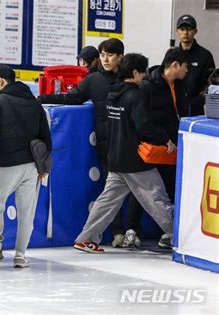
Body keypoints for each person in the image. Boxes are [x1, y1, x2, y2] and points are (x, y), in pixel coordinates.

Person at [39, 38, 137, 247]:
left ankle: (131, 229)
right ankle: (118, 231)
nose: (105, 59)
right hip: (108, 143)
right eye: (102, 55)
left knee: (139, 186)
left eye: (110, 55)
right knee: (112, 188)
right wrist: (42, 98)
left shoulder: (129, 78)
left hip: (130, 141)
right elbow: (72, 98)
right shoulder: (94, 80)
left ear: (120, 57)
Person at [73, 53, 175, 253]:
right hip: (136, 161)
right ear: (135, 72)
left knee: (107, 201)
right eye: (142, 72)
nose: (144, 76)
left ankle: (85, 238)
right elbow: (144, 126)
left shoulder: (112, 95)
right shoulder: (135, 96)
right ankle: (180, 237)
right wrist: (165, 139)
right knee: (157, 198)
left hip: (116, 158)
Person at [0, 65, 52, 268]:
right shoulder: (35, 103)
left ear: (0, 81)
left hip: (7, 164)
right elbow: (46, 138)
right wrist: (44, 168)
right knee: (27, 212)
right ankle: (20, 255)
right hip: (32, 166)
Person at [123, 48, 189, 249]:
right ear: (175, 65)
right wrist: (159, 137)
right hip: (153, 145)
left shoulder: (180, 85)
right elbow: (145, 118)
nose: (187, 71)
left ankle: (168, 233)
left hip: (171, 146)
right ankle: (131, 229)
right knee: (143, 189)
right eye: (185, 66)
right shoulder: (149, 86)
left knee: (169, 187)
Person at [175, 14, 216, 116]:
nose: (185, 32)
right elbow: (165, 78)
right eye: (182, 29)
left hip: (195, 110)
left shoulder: (205, 55)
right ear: (177, 31)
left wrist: (196, 101)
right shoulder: (172, 54)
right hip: (173, 108)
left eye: (189, 29)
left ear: (195, 31)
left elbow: (211, 84)